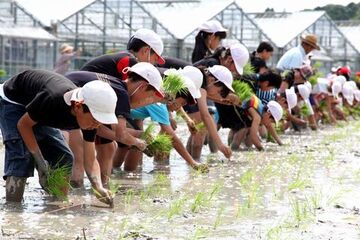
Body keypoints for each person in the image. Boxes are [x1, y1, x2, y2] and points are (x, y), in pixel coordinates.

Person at [0, 70, 118, 205]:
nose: (97, 124)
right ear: (78, 106)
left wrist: (98, 187)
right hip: (13, 101)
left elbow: (90, 160)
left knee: (64, 157)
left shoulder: (91, 121)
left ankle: (57, 202)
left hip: (38, 109)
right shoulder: (53, 99)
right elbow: (24, 125)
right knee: (22, 157)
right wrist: (41, 162)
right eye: (95, 119)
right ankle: (13, 208)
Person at [66, 62, 164, 187]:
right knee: (79, 152)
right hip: (69, 103)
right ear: (143, 87)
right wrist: (139, 143)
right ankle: (75, 194)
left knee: (109, 147)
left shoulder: (117, 88)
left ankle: (102, 187)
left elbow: (100, 129)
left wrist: (140, 135)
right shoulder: (121, 94)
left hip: (79, 103)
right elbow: (121, 135)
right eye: (149, 95)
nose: (146, 100)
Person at [116, 67, 207, 172]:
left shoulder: (164, 96)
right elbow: (173, 138)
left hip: (125, 114)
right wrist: (193, 162)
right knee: (139, 139)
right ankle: (128, 175)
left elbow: (174, 102)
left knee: (125, 145)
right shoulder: (158, 103)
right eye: (182, 103)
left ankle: (120, 174)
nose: (179, 108)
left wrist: (187, 120)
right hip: (119, 113)